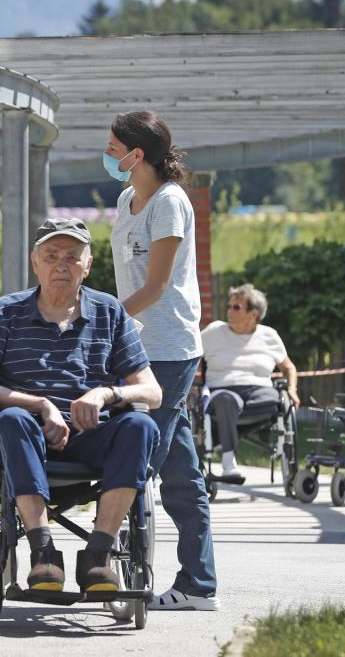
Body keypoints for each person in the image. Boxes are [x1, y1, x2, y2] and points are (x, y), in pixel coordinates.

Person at [0, 218, 161, 593]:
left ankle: (99, 553)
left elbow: (152, 391)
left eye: (72, 256)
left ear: (88, 264)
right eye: (51, 256)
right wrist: (39, 404)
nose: (61, 265)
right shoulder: (5, 312)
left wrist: (105, 394)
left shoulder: (110, 313)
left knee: (141, 426)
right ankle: (43, 553)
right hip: (27, 436)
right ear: (36, 263)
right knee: (14, 419)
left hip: (90, 434)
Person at [106, 110, 219, 610]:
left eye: (114, 147)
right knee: (181, 473)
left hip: (169, 350)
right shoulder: (127, 198)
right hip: (136, 344)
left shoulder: (170, 203)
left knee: (141, 457)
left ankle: (108, 556)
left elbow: (155, 287)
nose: (108, 154)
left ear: (139, 153)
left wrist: (98, 317)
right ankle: (200, 584)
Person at [201, 284, 300, 479]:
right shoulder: (214, 332)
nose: (229, 311)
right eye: (229, 306)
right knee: (227, 402)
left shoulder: (268, 335)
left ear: (254, 314)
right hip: (223, 390)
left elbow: (289, 368)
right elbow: (190, 358)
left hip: (259, 391)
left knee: (276, 401)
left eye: (236, 307)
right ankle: (229, 463)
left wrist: (292, 390)